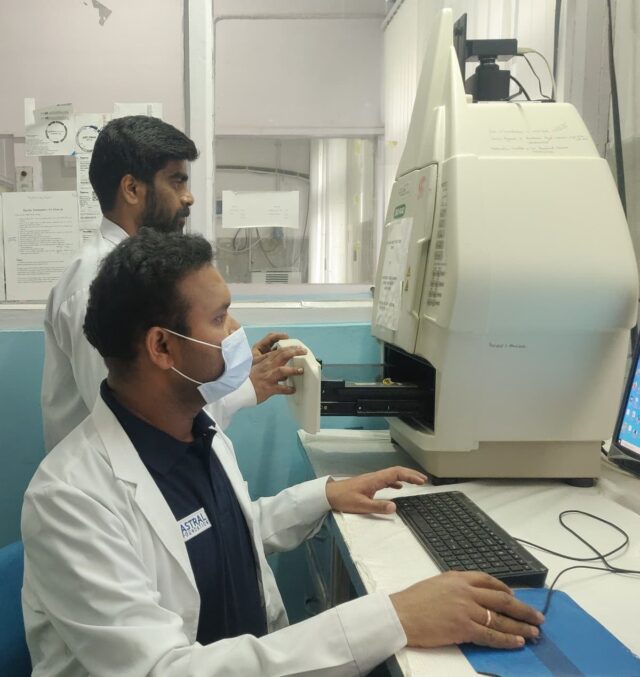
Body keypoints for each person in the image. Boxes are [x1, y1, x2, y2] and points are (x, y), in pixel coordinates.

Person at [22, 229, 544, 676]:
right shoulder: (70, 498)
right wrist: (394, 616)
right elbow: (165, 670)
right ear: (162, 347)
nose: (236, 334)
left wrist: (324, 494)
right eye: (220, 318)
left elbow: (216, 533)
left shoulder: (195, 429)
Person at [41, 115, 301, 452]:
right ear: (132, 189)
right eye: (176, 182)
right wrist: (245, 389)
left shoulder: (140, 272)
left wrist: (227, 370)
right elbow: (131, 419)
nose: (188, 197)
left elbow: (161, 384)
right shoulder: (96, 283)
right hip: (111, 487)